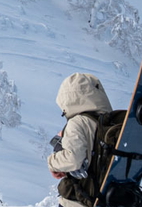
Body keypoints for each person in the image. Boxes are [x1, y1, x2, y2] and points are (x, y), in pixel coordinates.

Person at [49, 73, 116, 207]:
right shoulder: (110, 123)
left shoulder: (78, 122)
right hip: (106, 198)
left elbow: (73, 159)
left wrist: (52, 162)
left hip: (79, 201)